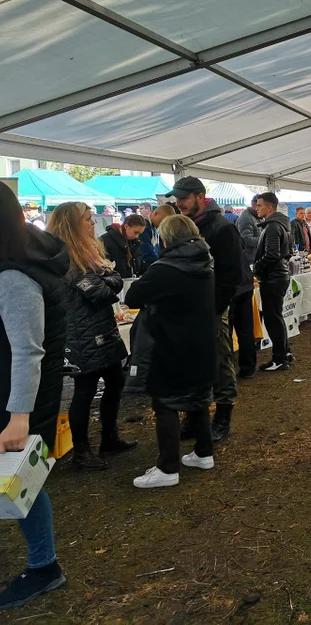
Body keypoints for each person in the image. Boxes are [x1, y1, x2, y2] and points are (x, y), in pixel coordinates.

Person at [0, 183, 69, 610]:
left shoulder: (13, 274)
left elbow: (28, 349)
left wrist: (18, 416)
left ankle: (45, 566)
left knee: (22, 478)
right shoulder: (27, 256)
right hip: (15, 394)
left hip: (15, 400)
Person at [125, 215, 218, 489]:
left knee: (165, 403)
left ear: (165, 239)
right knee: (198, 398)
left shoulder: (164, 268)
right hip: (201, 342)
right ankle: (204, 452)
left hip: (171, 343)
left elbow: (132, 298)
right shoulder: (207, 263)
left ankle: (167, 467)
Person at [47, 202, 136, 470]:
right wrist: (111, 278)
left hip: (100, 329)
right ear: (72, 224)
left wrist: (110, 278)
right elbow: (101, 292)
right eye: (86, 219)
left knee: (115, 380)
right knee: (84, 390)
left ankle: (109, 437)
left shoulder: (86, 252)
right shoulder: (68, 258)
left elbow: (110, 280)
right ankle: (81, 451)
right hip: (80, 334)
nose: (92, 223)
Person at [167, 177, 244, 442]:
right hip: (187, 309)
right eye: (176, 199)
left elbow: (233, 273)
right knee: (191, 365)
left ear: (200, 196)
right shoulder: (186, 227)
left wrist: (215, 307)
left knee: (220, 362)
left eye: (183, 198)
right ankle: (193, 416)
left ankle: (222, 418)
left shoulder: (221, 227)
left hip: (211, 308)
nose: (178, 204)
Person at [253, 193, 293, 371]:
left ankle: (279, 359)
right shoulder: (280, 225)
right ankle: (284, 352)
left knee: (272, 319)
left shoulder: (272, 226)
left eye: (259, 205)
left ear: (269, 208)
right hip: (278, 276)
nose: (256, 208)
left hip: (273, 278)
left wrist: (256, 268)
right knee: (276, 317)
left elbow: (272, 254)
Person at [233, 196, 260, 379]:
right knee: (245, 329)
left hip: (236, 286)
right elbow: (247, 240)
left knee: (237, 330)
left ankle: (242, 367)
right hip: (245, 281)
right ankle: (248, 367)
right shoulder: (245, 219)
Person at [99, 213, 146, 279]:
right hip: (114, 283)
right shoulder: (105, 241)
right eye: (136, 232)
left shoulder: (134, 243)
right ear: (126, 226)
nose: (137, 236)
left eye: (139, 234)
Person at [138, 203, 175, 274]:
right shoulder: (145, 227)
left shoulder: (155, 228)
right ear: (156, 214)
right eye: (164, 221)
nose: (164, 224)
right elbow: (146, 250)